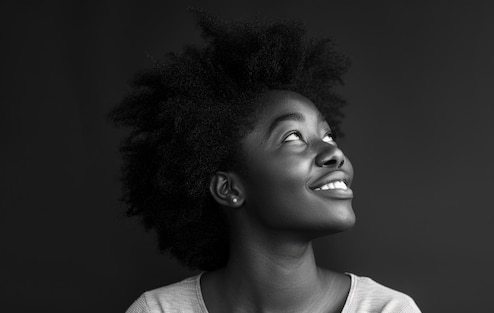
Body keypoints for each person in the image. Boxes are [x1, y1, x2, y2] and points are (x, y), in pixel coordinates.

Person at [112, 10, 421, 313]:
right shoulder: (158, 310)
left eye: (328, 136)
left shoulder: (388, 309)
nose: (335, 154)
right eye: (292, 137)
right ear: (229, 188)